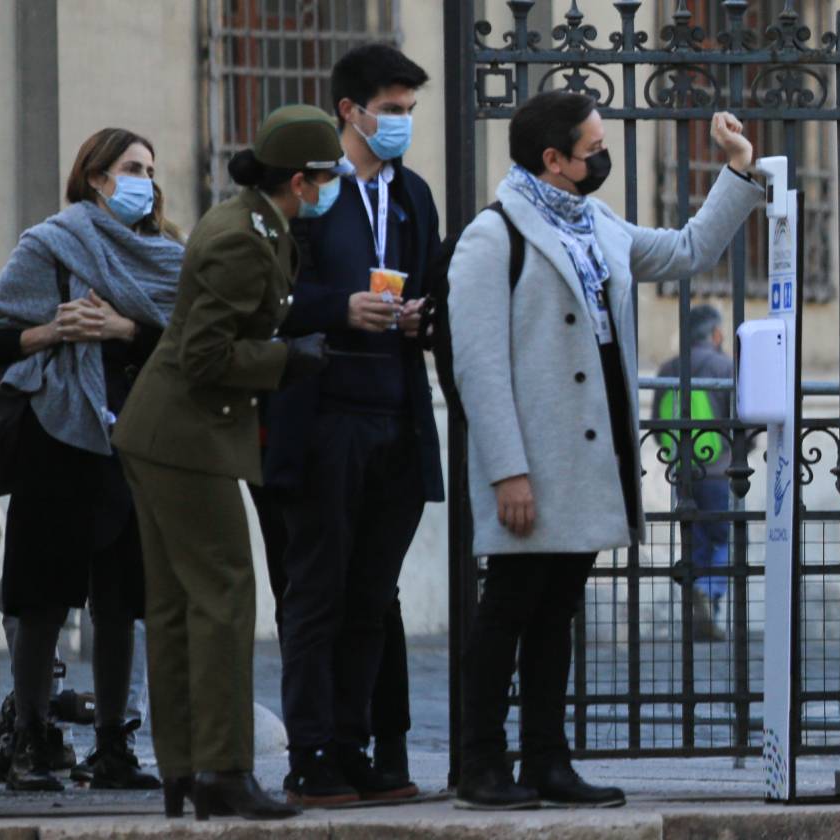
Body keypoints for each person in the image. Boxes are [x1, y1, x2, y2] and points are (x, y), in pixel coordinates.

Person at [448, 91, 762, 810]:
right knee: (508, 609)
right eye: (592, 149)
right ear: (552, 160)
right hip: (531, 465)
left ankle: (547, 760)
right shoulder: (494, 236)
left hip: (593, 463)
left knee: (557, 612)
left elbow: (686, 250)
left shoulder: (599, 224)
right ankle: (480, 762)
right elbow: (480, 365)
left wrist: (737, 173)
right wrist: (507, 470)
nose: (603, 157)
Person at [113, 104, 341, 821]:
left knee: (178, 606)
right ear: (300, 180)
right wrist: (288, 360)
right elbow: (207, 355)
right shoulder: (242, 238)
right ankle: (223, 771)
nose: (330, 188)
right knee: (224, 596)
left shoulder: (251, 222)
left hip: (164, 434)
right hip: (187, 436)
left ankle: (185, 770)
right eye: (326, 177)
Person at [262, 43, 439, 807]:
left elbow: (430, 288)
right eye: (391, 111)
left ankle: (354, 744)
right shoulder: (311, 192)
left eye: (407, 111)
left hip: (395, 413)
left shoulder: (413, 196)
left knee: (373, 595)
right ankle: (308, 755)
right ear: (351, 111)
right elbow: (266, 301)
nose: (401, 123)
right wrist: (342, 309)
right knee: (318, 593)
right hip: (322, 415)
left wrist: (417, 320)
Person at [0, 127, 184, 792]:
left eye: (150, 170)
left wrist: (126, 329)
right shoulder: (51, 243)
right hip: (59, 435)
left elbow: (190, 337)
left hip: (135, 439)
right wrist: (52, 330)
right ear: (96, 175)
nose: (144, 181)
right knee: (43, 598)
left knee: (122, 599)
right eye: (131, 167)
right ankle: (32, 740)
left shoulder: (166, 255)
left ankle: (114, 745)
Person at [654, 303, 736, 641]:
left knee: (694, 538)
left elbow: (657, 423)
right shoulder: (724, 365)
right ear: (716, 334)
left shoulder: (668, 368)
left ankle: (697, 604)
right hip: (718, 471)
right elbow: (741, 417)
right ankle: (708, 595)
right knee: (721, 538)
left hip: (683, 470)